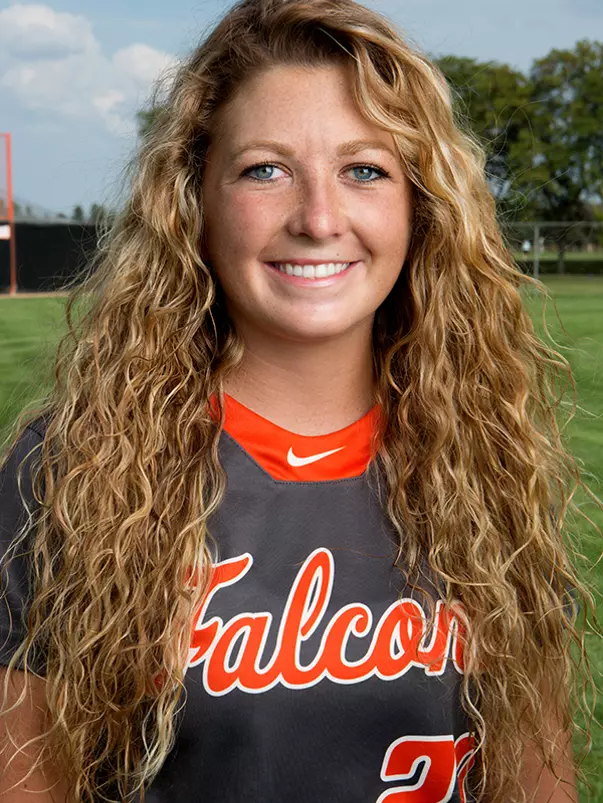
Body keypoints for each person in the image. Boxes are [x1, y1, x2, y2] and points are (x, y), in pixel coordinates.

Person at [0, 0, 596, 800]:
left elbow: (536, 782)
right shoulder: (70, 470)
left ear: (418, 208)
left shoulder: (485, 464)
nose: (318, 218)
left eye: (364, 170)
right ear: (194, 203)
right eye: (264, 169)